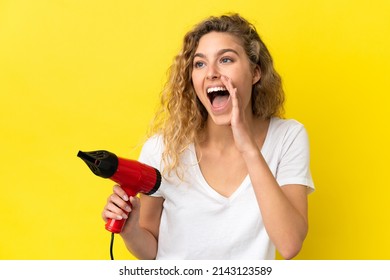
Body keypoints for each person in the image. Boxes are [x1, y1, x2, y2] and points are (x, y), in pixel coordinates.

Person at [102, 13, 314, 260]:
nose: (211, 73)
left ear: (255, 72)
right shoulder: (162, 149)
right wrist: (131, 230)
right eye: (200, 64)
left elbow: (289, 245)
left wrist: (248, 147)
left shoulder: (287, 137)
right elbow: (151, 251)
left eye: (226, 59)